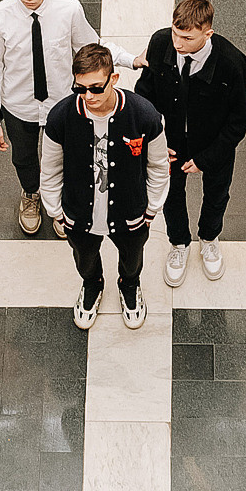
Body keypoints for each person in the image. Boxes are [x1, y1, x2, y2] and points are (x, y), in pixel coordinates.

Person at [0, 0, 145, 235]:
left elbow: (91, 46)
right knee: (24, 158)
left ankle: (64, 204)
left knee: (71, 155)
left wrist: (130, 60)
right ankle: (31, 194)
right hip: (19, 106)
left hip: (62, 103)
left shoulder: (68, 9)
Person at [39, 44, 171, 331]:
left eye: (96, 88)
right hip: (78, 213)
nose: (88, 96)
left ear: (114, 79)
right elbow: (50, 170)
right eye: (80, 88)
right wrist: (56, 212)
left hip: (132, 212)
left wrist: (151, 209)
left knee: (132, 257)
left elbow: (159, 167)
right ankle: (92, 285)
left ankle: (129, 285)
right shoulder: (60, 118)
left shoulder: (144, 115)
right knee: (84, 258)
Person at [134, 0, 246, 286]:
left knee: (216, 195)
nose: (178, 42)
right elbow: (144, 94)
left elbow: (239, 121)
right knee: (171, 196)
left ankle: (209, 238)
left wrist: (206, 159)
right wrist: (156, 140)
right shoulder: (160, 42)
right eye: (175, 33)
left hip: (213, 146)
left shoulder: (232, 64)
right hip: (169, 144)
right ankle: (179, 243)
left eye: (186, 37)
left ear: (207, 33)